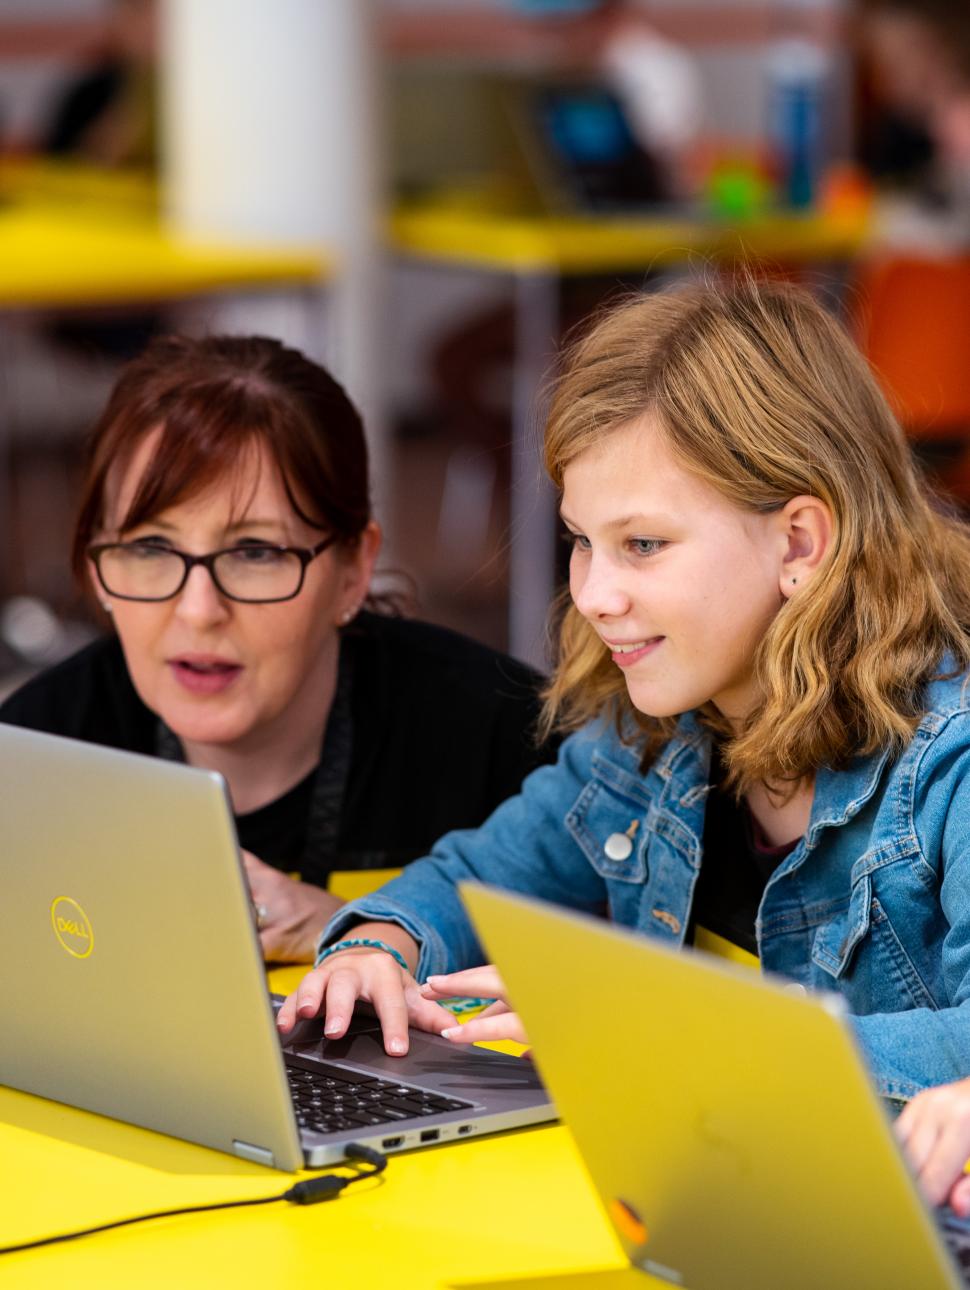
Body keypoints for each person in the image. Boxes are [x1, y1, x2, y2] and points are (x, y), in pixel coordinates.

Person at [279, 275, 970, 1102]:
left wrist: (662, 1027)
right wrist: (378, 948)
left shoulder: (948, 760)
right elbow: (477, 877)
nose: (595, 595)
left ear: (798, 543)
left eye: (643, 544)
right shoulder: (657, 734)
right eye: (582, 542)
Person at [0, 334, 555, 963]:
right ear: (97, 565)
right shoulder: (35, 754)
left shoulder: (506, 740)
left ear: (353, 569)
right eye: (151, 549)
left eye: (255, 553)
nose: (200, 610)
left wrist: (351, 926)